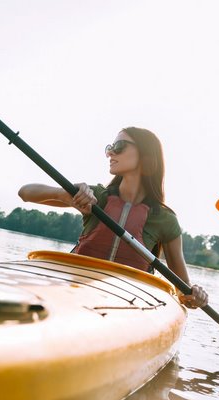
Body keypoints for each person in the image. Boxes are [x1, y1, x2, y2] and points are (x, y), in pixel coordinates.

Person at [18, 127, 208, 309]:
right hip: (75, 290)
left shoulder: (165, 219)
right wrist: (64, 194)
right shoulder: (97, 197)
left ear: (145, 156)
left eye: (119, 147)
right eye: (110, 148)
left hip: (128, 303)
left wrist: (195, 295)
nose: (110, 153)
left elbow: (185, 294)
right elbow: (25, 192)